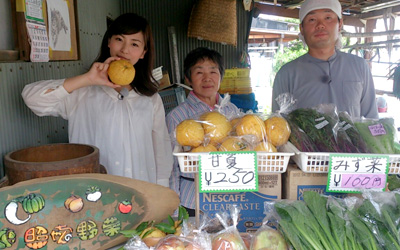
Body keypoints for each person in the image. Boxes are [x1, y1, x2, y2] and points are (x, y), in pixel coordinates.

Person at [22, 13, 173, 187]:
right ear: (109, 42)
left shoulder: (150, 99)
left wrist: (162, 192)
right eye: (119, 39)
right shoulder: (83, 92)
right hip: (93, 197)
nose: (125, 49)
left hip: (140, 192)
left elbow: (161, 148)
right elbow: (32, 98)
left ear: (143, 53)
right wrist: (88, 79)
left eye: (134, 44)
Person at [271, 0, 379, 119]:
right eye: (312, 19)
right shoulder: (287, 74)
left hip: (354, 138)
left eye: (328, 18)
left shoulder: (359, 66)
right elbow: (278, 128)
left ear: (340, 24)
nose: (320, 25)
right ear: (301, 28)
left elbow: (371, 121)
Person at [166, 47, 240, 216]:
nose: (207, 78)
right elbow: (171, 167)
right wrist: (174, 211)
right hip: (192, 202)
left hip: (229, 200)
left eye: (213, 71)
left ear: (221, 76)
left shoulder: (232, 111)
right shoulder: (177, 116)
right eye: (199, 72)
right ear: (188, 78)